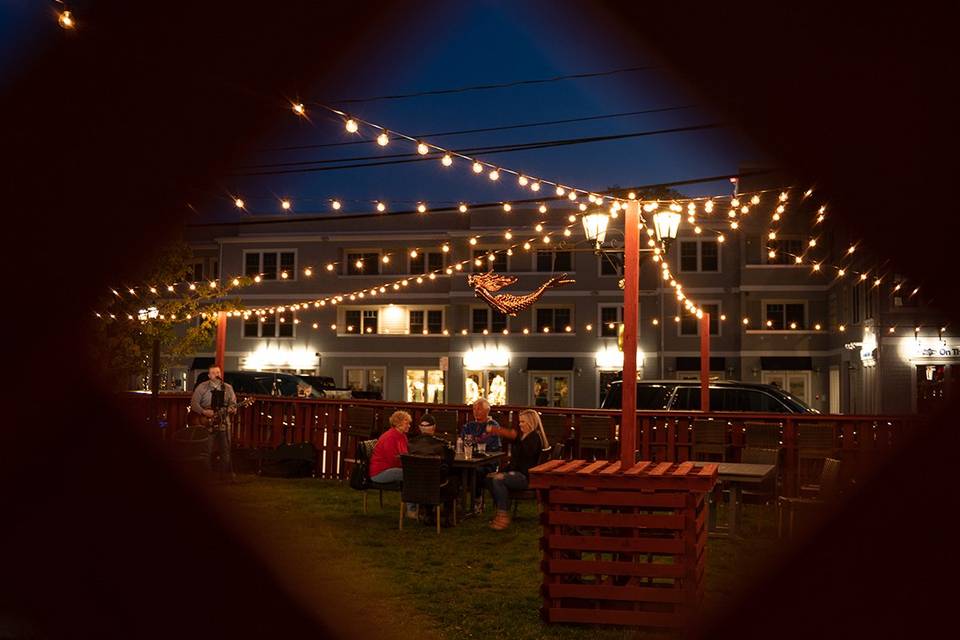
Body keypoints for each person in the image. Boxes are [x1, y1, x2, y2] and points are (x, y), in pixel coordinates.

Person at [485, 409, 549, 530]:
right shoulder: (525, 437)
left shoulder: (534, 438)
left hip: (526, 477)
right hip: (519, 473)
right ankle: (503, 508)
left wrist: (511, 436)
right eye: (520, 422)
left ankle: (502, 515)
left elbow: (525, 458)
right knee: (489, 478)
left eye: (523, 422)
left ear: (531, 422)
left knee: (498, 480)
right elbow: (516, 459)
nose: (520, 424)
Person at [408, 414, 458, 526]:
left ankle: (428, 514)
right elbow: (449, 465)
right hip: (436, 485)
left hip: (415, 484)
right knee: (453, 480)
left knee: (432, 477)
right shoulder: (442, 445)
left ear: (420, 428)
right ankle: (447, 516)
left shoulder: (410, 444)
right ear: (434, 427)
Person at [190, 365, 238, 480]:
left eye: (218, 372)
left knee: (225, 450)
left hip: (223, 423)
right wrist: (204, 412)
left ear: (220, 374)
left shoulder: (228, 388)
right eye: (213, 372)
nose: (216, 374)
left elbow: (233, 404)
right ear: (209, 375)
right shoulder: (202, 387)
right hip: (206, 423)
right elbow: (194, 404)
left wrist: (233, 409)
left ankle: (224, 475)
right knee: (206, 450)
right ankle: (207, 475)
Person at [369, 410, 417, 518]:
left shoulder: (402, 436)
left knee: (413, 473)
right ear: (398, 423)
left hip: (391, 468)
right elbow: (392, 460)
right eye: (406, 423)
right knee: (411, 475)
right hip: (380, 472)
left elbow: (404, 455)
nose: (409, 426)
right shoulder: (389, 437)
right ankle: (411, 510)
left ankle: (416, 507)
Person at [460, 398, 501, 512]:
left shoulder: (492, 425)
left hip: (488, 462)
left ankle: (477, 500)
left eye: (479, 409)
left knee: (477, 471)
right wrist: (475, 440)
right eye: (474, 409)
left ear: (487, 411)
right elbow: (464, 439)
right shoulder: (469, 425)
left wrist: (473, 440)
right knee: (456, 469)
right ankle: (457, 502)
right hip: (469, 459)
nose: (475, 411)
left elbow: (486, 443)